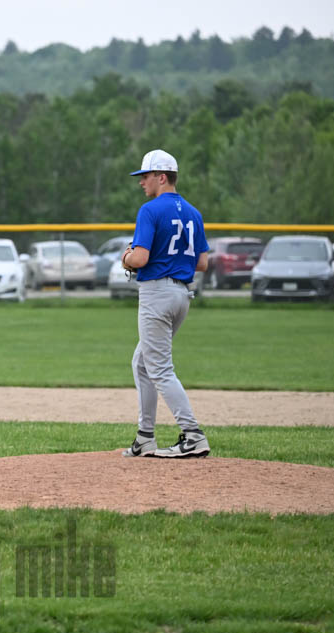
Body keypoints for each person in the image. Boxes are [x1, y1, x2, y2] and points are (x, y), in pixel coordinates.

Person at [120, 149, 211, 459]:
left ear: (162, 177)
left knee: (159, 368)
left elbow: (140, 258)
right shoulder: (193, 212)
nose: (141, 182)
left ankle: (193, 434)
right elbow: (202, 263)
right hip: (181, 295)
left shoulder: (150, 210)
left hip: (157, 294)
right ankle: (145, 437)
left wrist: (126, 257)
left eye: (145, 176)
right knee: (142, 362)